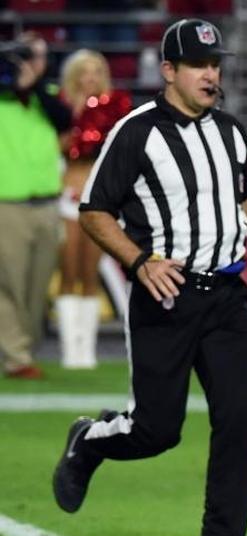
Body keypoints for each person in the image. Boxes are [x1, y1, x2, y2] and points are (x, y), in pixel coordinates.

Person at [50, 18, 247, 536]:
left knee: (241, 422)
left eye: (215, 65)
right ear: (168, 70)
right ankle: (90, 441)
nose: (211, 75)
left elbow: (246, 195)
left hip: (228, 296)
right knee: (156, 430)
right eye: (198, 66)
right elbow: (94, 211)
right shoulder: (136, 132)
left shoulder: (231, 131)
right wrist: (140, 261)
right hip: (166, 295)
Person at [0, 32, 71, 379]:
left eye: (37, 55)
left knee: (37, 287)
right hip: (7, 203)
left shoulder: (50, 95)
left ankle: (21, 348)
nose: (31, 62)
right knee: (7, 284)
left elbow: (66, 121)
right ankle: (16, 357)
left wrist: (34, 86)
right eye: (25, 55)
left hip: (47, 202)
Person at [57, 49, 133, 370]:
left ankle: (86, 351)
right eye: (84, 71)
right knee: (68, 271)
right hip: (67, 197)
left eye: (96, 71)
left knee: (90, 273)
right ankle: (69, 351)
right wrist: (74, 115)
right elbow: (57, 149)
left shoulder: (116, 107)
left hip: (99, 201)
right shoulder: (60, 106)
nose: (90, 78)